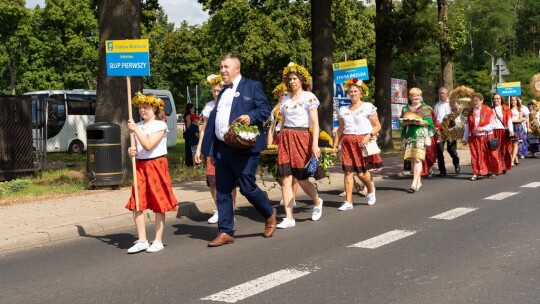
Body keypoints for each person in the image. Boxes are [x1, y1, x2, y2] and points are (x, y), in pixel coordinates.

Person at [200, 54, 276, 246]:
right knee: (223, 190)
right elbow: (215, 121)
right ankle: (225, 232)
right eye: (221, 67)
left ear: (237, 69)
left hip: (244, 147)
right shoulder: (223, 92)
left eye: (226, 67)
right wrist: (206, 147)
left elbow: (265, 109)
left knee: (247, 187)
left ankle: (269, 212)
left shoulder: (252, 86)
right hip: (222, 148)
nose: (223, 70)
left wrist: (251, 116)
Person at [125, 92, 178, 253]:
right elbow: (140, 149)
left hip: (156, 165)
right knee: (138, 202)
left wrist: (135, 129)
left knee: (158, 202)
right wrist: (132, 151)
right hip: (140, 166)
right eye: (140, 107)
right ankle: (142, 240)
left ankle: (158, 240)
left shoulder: (160, 125)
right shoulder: (138, 126)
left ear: (154, 109)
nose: (142, 110)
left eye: (145, 107)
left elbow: (149, 145)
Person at [276, 62, 324, 229]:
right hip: (286, 138)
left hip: (302, 137)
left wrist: (315, 145)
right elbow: (282, 123)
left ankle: (317, 202)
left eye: (295, 78)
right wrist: (279, 138)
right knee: (285, 178)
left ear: (302, 80)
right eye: (290, 79)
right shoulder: (285, 100)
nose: (292, 82)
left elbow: (316, 124)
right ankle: (289, 218)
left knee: (302, 178)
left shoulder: (309, 97)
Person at [332, 78, 382, 210]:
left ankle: (371, 190)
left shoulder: (368, 107)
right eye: (350, 92)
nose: (353, 94)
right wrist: (335, 145)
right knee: (348, 172)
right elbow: (341, 129)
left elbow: (377, 126)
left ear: (361, 92)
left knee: (361, 174)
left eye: (355, 91)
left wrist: (369, 135)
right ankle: (348, 202)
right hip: (348, 142)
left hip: (362, 142)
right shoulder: (343, 110)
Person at [194, 74, 237, 224]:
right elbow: (204, 130)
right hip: (212, 144)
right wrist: (199, 149)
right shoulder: (209, 106)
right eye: (214, 91)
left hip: (227, 143)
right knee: (212, 180)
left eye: (219, 90)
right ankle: (220, 209)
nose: (217, 93)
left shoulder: (230, 103)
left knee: (229, 181)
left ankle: (230, 211)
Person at [267, 82, 299, 207]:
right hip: (278, 139)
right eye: (281, 95)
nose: (283, 96)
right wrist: (269, 144)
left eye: (286, 94)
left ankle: (292, 197)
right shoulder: (275, 110)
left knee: (292, 171)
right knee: (276, 170)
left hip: (290, 138)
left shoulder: (293, 106)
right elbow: (271, 128)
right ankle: (288, 192)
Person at [400, 87, 435, 193]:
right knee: (412, 159)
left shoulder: (425, 108)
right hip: (409, 136)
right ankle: (418, 181)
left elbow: (429, 122)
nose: (415, 97)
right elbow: (401, 122)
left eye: (417, 95)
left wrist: (418, 122)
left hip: (420, 135)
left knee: (418, 159)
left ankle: (414, 183)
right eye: (413, 95)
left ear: (420, 96)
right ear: (410, 97)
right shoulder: (405, 108)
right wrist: (405, 122)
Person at [462, 93, 498, 181]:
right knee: (475, 155)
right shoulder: (470, 112)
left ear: (481, 101)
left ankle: (486, 170)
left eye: (477, 100)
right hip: (473, 137)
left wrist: (483, 128)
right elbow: (468, 125)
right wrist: (465, 137)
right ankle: (475, 172)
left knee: (485, 155)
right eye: (473, 101)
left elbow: (493, 124)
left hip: (485, 136)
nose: (475, 102)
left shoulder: (488, 110)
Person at [433, 87, 461, 176]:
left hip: (450, 128)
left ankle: (456, 163)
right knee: (439, 150)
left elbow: (457, 116)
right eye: (440, 93)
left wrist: (456, 127)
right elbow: (435, 118)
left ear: (447, 94)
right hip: (440, 129)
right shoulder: (437, 105)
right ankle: (442, 171)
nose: (441, 95)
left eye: (443, 93)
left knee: (451, 149)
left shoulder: (452, 104)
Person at [491, 93, 514, 174]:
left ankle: (504, 166)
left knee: (503, 149)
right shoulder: (490, 109)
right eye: (495, 98)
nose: (496, 100)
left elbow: (509, 120)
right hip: (493, 131)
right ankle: (496, 168)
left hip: (503, 131)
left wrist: (511, 130)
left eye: (498, 98)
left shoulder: (505, 109)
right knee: (494, 150)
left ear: (501, 99)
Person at [510, 96, 527, 165]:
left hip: (517, 126)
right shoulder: (508, 108)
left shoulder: (519, 109)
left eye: (514, 100)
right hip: (510, 127)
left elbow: (520, 119)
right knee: (510, 144)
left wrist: (511, 120)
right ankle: (515, 156)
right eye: (511, 100)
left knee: (515, 144)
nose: (512, 102)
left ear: (517, 101)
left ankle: (512, 160)